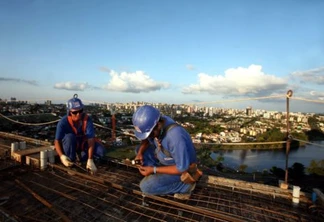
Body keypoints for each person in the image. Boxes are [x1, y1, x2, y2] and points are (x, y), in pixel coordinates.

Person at [132, 105, 202, 200]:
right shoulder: (159, 121)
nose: (150, 136)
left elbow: (182, 168)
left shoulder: (175, 137)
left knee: (145, 187)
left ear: (158, 125)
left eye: (151, 134)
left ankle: (185, 186)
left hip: (181, 167)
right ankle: (157, 172)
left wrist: (153, 170)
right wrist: (140, 153)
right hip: (165, 157)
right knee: (139, 149)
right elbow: (146, 139)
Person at [54, 94, 106, 174]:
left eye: (80, 111)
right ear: (69, 112)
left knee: (101, 151)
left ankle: (84, 159)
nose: (78, 114)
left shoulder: (87, 120)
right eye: (75, 112)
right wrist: (61, 156)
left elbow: (91, 139)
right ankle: (71, 162)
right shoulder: (63, 123)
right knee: (69, 137)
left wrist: (90, 159)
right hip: (70, 144)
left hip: (83, 143)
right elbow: (57, 141)